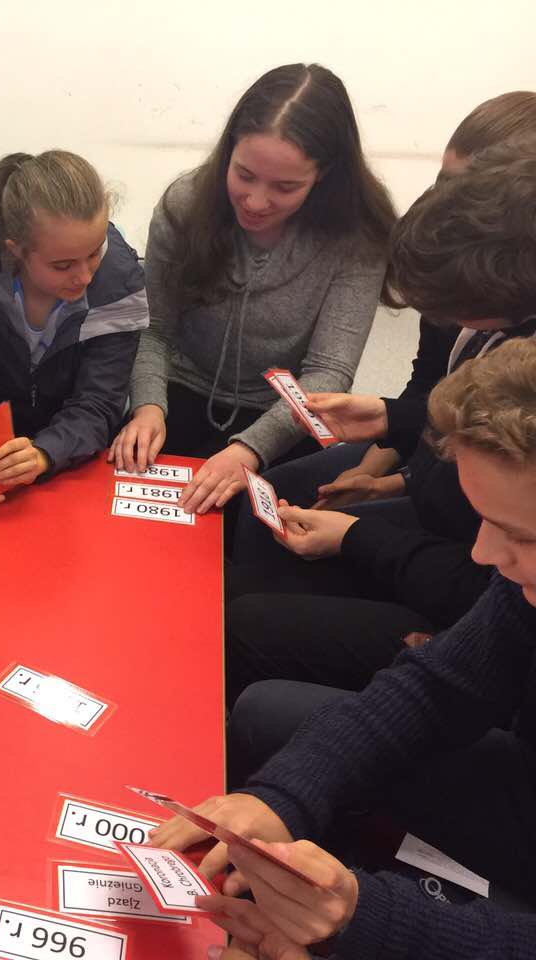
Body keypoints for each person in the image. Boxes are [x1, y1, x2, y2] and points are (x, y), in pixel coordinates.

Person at [152, 335, 536, 960]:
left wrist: (366, 916)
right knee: (271, 721)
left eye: (520, 535)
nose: (483, 553)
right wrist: (280, 798)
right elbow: (433, 689)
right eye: (485, 520)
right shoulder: (521, 586)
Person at [223, 143, 536, 702]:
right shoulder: (478, 319)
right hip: (438, 543)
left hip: (458, 592)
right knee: (250, 569)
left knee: (249, 635)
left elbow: (479, 583)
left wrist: (358, 534)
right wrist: (390, 434)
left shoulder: (513, 379)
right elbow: (433, 411)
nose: (438, 320)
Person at [110, 63, 397, 515]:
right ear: (228, 151)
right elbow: (154, 329)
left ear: (324, 174)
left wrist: (251, 448)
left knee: (263, 532)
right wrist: (147, 406)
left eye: (285, 187)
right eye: (244, 175)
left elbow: (327, 372)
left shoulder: (356, 238)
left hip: (284, 413)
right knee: (132, 510)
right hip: (177, 392)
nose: (257, 201)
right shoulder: (185, 204)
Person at [0, 150, 148, 504]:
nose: (85, 276)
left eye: (94, 253)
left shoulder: (119, 282)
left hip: (70, 450)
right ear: (16, 250)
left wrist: (44, 454)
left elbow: (98, 403)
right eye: (63, 265)